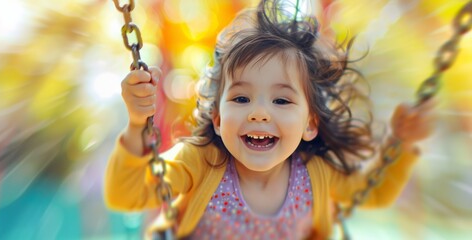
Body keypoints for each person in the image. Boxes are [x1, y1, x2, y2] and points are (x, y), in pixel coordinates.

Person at [105, 0, 435, 239]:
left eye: (281, 99)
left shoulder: (317, 175)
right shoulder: (200, 161)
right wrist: (137, 125)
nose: (259, 112)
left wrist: (402, 145)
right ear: (218, 119)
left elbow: (374, 191)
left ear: (310, 124)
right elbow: (126, 194)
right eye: (240, 98)